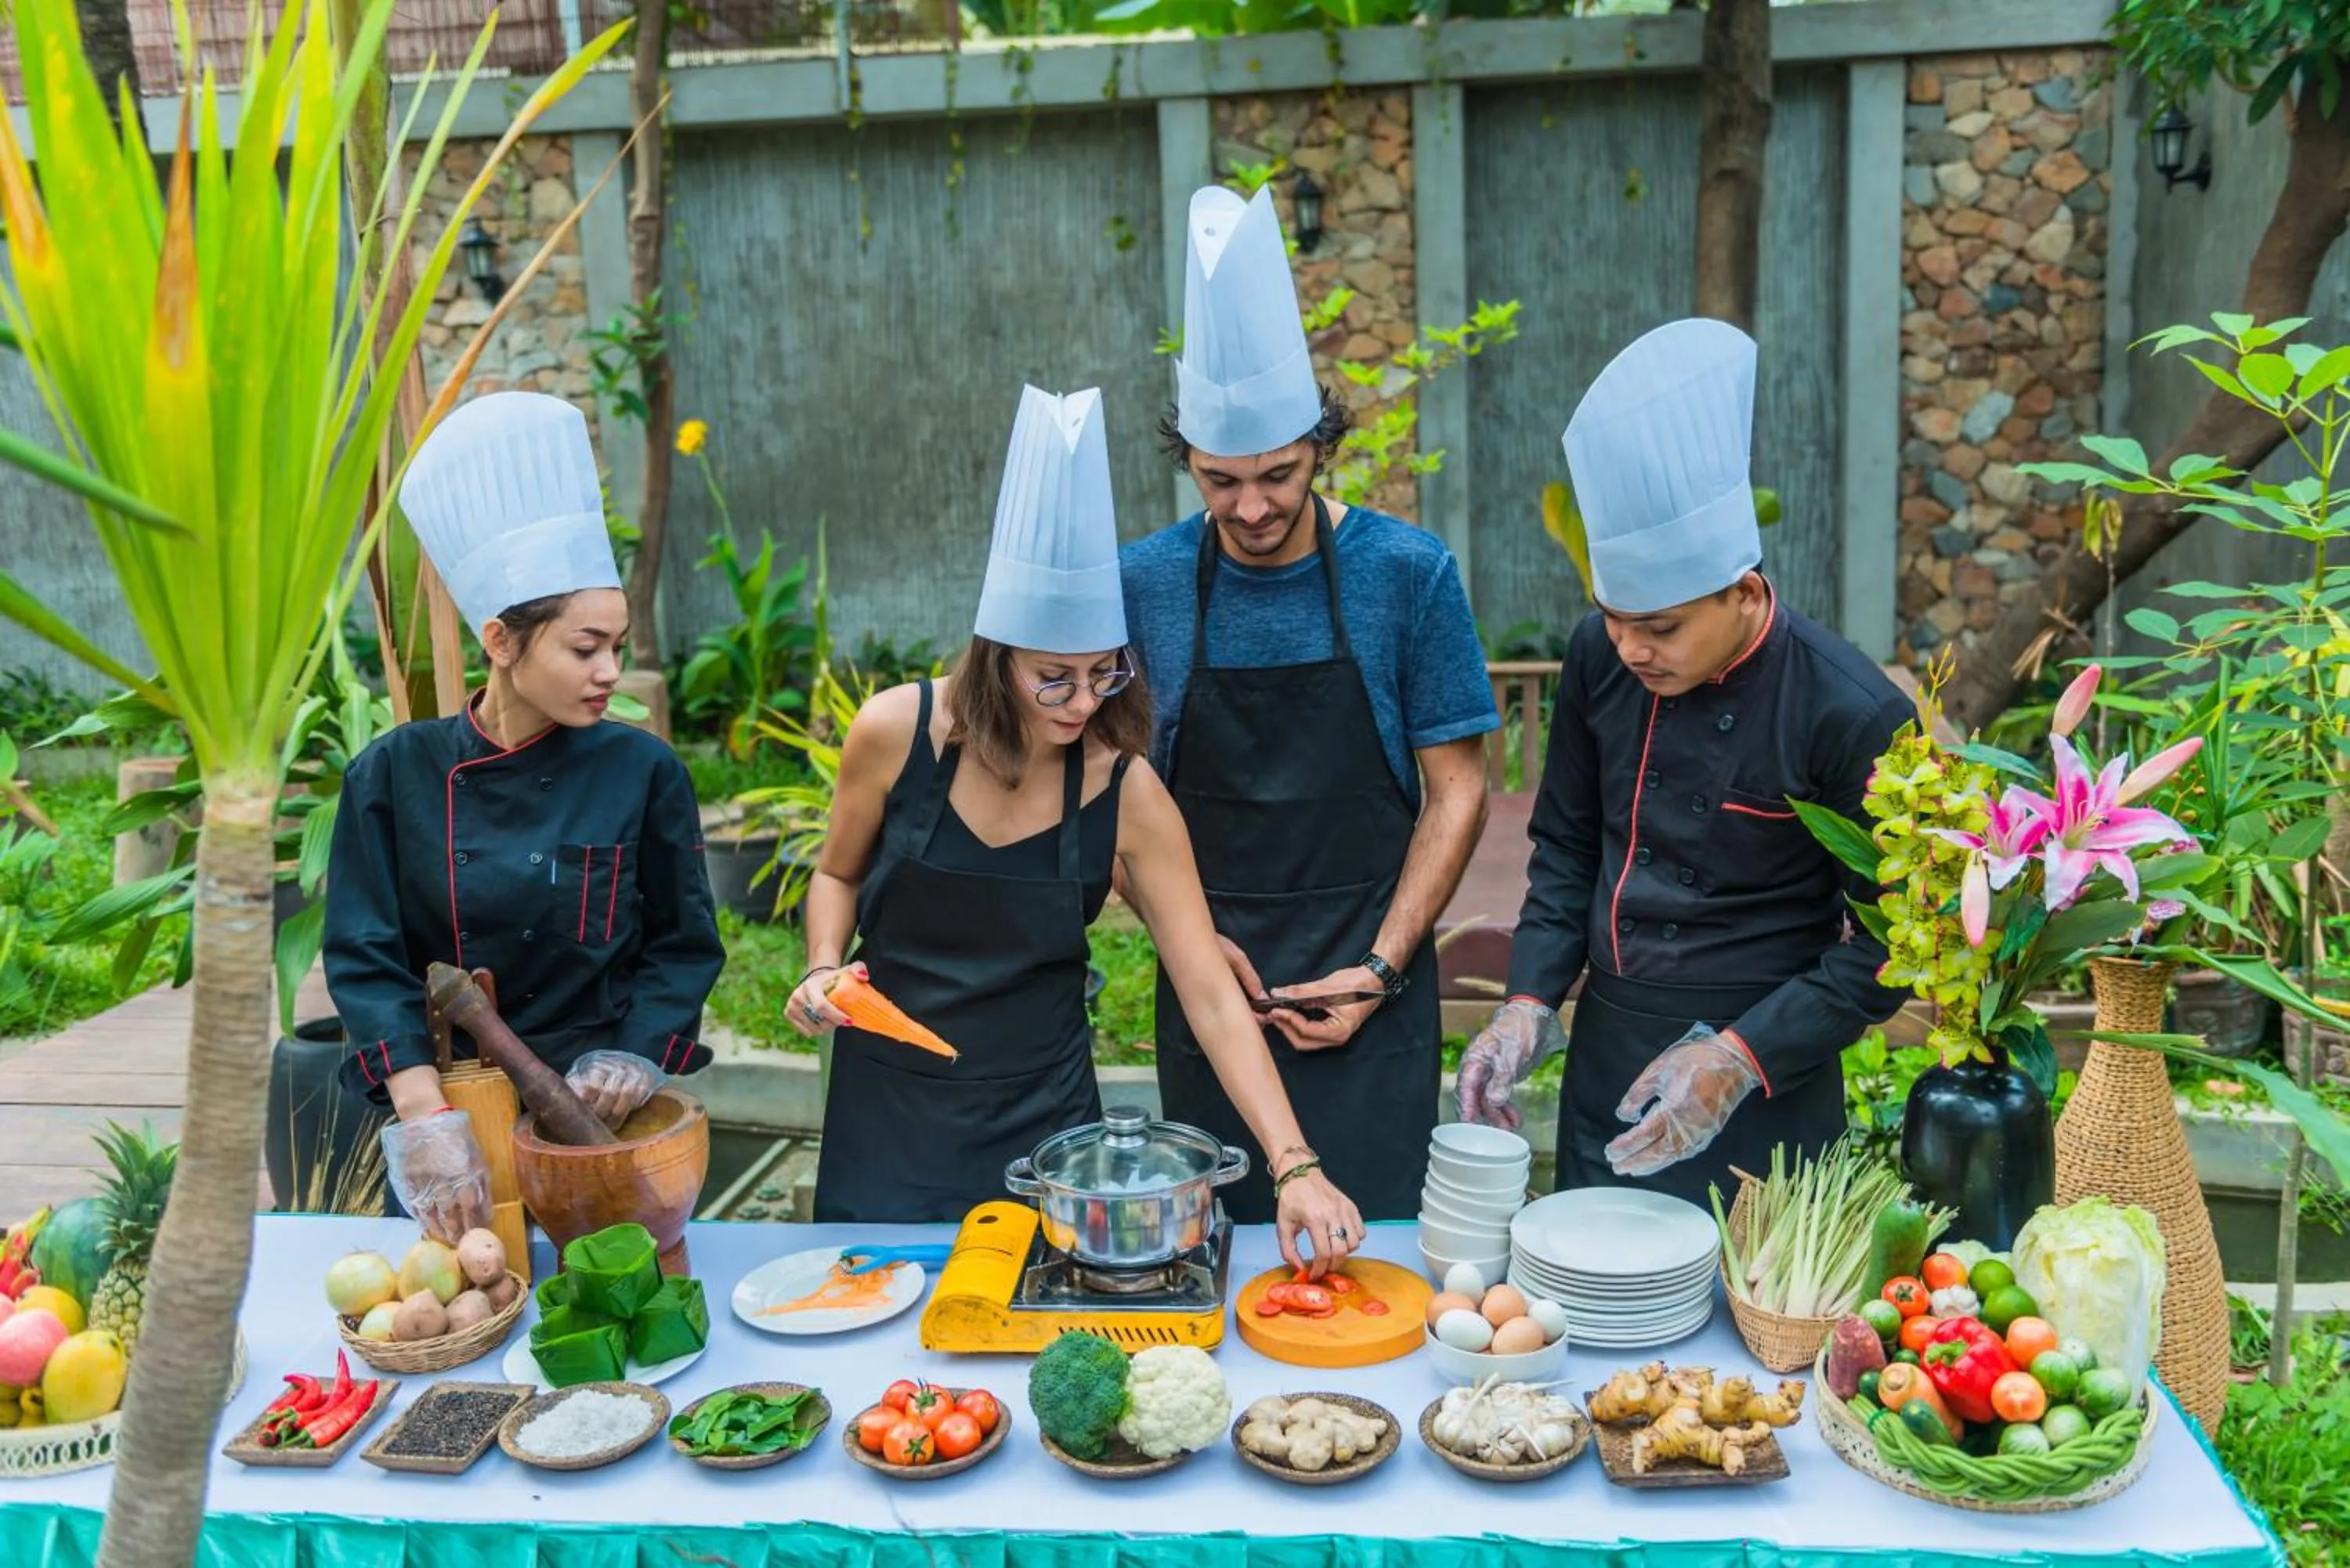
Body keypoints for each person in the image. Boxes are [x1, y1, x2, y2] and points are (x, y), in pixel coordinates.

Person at [786, 384, 1364, 1272]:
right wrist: (824, 967)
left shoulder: (1124, 789)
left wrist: (1296, 1164)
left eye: (1106, 674)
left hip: (1046, 1139)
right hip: (884, 1111)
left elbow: (1209, 990)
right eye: (1053, 678)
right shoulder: (893, 732)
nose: (1083, 702)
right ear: (996, 654)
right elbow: (835, 874)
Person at [1454, 318, 1912, 1205]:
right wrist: (1526, 1002)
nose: (1629, 648)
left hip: (1769, 1069)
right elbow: (1569, 847)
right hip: (1611, 1059)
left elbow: (1894, 948)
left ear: (1743, 592)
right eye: (1612, 616)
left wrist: (1738, 1058)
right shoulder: (1598, 655)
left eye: (1660, 626)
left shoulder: (1851, 712)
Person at [1118, 184, 1498, 1223]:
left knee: (1378, 1256)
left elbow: (1457, 789)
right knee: (1222, 1246)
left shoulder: (1407, 572)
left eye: (1277, 475)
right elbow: (1108, 794)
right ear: (1188, 461)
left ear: (1320, 444)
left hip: (1376, 981)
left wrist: (1379, 965)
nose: (1250, 507)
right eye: (1219, 480)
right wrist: (1184, 939)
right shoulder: (1144, 582)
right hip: (1211, 991)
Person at [325, 392, 726, 1243]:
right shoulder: (390, 777)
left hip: (601, 1112)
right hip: (456, 1112)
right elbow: (365, 957)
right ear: (501, 640)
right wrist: (421, 1112)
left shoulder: (643, 770)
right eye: (585, 647)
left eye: (617, 644)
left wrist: (637, 1054)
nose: (610, 669)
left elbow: (684, 943)